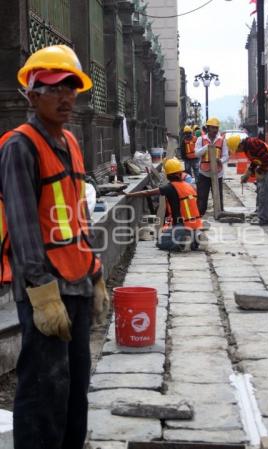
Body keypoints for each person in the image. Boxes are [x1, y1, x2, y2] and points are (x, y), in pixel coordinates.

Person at [0, 45, 110, 449]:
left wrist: (96, 272)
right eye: (53, 89)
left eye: (71, 88)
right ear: (32, 94)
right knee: (44, 389)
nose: (65, 97)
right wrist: (43, 294)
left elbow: (78, 216)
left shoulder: (71, 142)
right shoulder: (19, 147)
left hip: (78, 282)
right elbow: (23, 224)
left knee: (75, 385)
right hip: (47, 288)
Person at [126, 158, 203, 251]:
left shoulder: (170, 187)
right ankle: (194, 241)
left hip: (183, 225)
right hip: (197, 225)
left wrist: (129, 194)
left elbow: (147, 192)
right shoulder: (190, 186)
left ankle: (182, 242)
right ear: (180, 173)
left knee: (161, 244)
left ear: (168, 175)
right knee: (183, 238)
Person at [227, 135, 268, 226]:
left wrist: (260, 171)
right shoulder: (247, 147)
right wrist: (248, 173)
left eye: (237, 150)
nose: (237, 152)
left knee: (264, 193)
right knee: (263, 192)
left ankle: (263, 219)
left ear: (239, 145)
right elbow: (256, 160)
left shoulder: (251, 144)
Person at [195, 117, 229, 216]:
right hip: (204, 173)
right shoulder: (201, 139)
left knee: (218, 197)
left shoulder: (222, 140)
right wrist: (207, 147)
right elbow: (197, 153)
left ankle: (219, 213)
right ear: (208, 128)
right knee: (202, 197)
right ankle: (199, 214)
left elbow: (226, 156)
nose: (215, 130)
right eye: (213, 128)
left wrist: (221, 161)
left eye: (216, 128)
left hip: (217, 173)